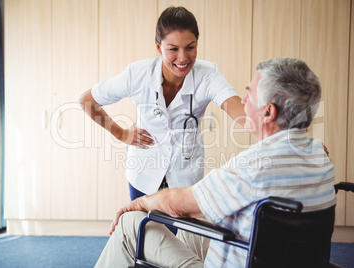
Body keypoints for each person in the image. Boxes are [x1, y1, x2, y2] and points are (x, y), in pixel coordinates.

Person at [94, 58, 337, 267]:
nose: (242, 101)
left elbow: (177, 205)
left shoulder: (252, 167)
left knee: (130, 223)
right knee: (193, 224)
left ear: (268, 112)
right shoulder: (319, 154)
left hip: (241, 259)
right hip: (276, 256)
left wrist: (137, 203)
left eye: (249, 94)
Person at [79, 6, 245, 201]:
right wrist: (121, 134)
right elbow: (87, 101)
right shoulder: (138, 74)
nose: (183, 58)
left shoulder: (208, 75)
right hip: (143, 175)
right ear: (159, 47)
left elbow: (242, 114)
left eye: (190, 47)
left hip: (185, 179)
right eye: (173, 49)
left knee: (178, 232)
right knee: (144, 229)